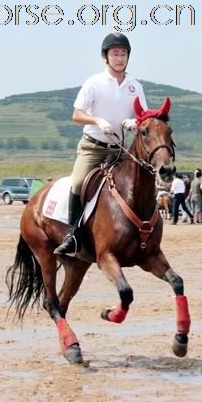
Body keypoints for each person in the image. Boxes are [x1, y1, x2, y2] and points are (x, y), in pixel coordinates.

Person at [55, 32, 146, 255]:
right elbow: (76, 114)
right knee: (77, 183)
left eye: (123, 53)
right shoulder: (94, 83)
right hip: (94, 147)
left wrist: (134, 122)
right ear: (105, 57)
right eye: (114, 53)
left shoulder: (135, 86)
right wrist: (97, 120)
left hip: (120, 150)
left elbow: (143, 117)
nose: (119, 58)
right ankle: (72, 235)